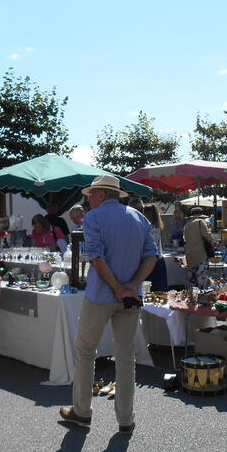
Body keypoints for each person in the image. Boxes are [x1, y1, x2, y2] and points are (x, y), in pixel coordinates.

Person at [59, 175, 158, 434]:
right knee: (125, 357)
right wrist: (131, 286)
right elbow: (152, 256)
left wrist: (117, 288)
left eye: (91, 194)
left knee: (85, 350)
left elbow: (97, 257)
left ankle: (82, 411)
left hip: (101, 296)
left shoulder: (93, 217)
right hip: (130, 298)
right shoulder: (139, 218)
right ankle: (125, 418)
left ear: (101, 194)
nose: (88, 199)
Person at [183, 207, 215, 288]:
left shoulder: (187, 225)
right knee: (201, 281)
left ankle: (193, 294)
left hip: (189, 256)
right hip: (200, 255)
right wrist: (214, 242)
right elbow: (207, 236)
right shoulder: (200, 222)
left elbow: (185, 239)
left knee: (193, 281)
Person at [142, 203, 169, 292]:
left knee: (157, 290)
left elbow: (152, 247)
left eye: (146, 212)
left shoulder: (153, 228)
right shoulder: (150, 226)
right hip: (153, 261)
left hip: (154, 261)